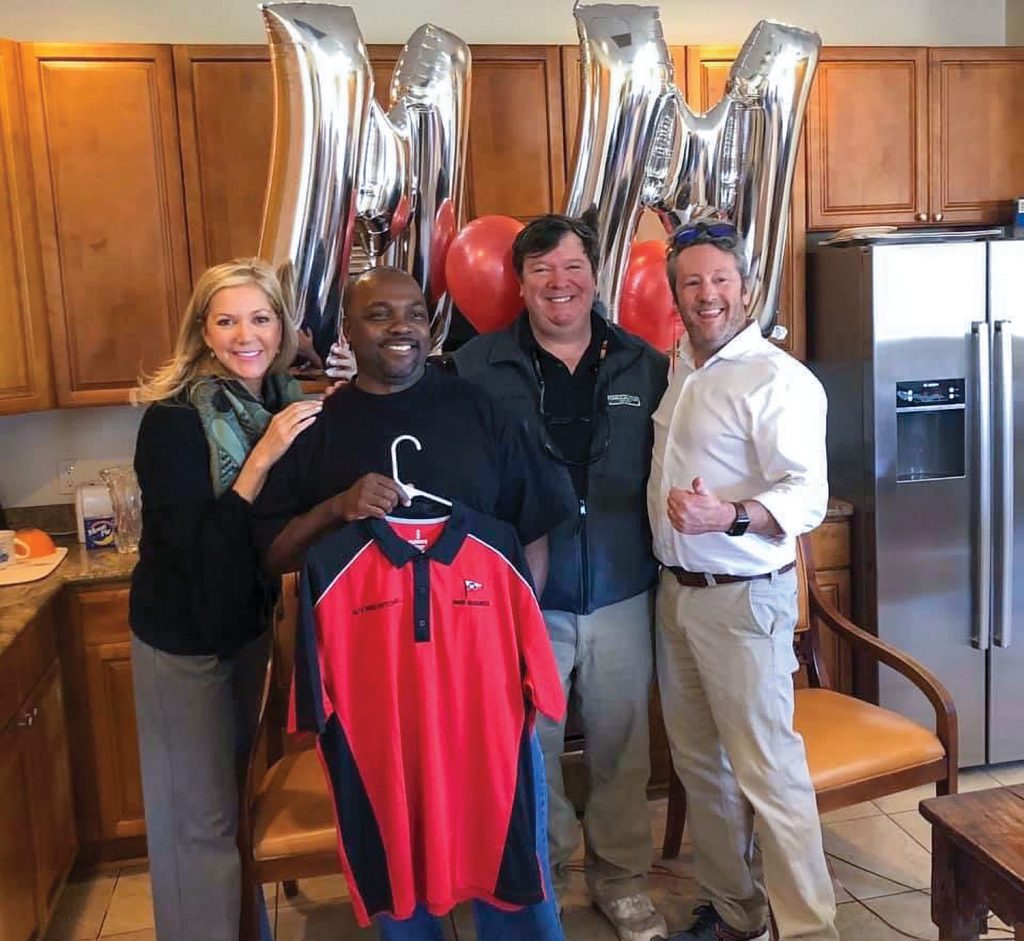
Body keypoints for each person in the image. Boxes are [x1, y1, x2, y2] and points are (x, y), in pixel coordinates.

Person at [252, 265, 570, 940]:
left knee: (510, 858)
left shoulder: (480, 410)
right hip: (379, 702)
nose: (402, 327)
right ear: (347, 329)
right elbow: (276, 551)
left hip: (482, 695)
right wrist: (337, 506)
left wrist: (510, 633)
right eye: (380, 315)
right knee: (399, 867)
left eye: (416, 314)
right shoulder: (318, 429)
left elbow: (533, 526)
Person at [452, 214, 670, 941]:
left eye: (572, 266)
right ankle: (539, 872)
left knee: (620, 743)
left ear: (596, 275)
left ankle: (622, 879)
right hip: (520, 598)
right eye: (542, 269)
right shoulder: (475, 366)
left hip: (620, 585)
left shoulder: (645, 362)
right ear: (520, 282)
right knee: (527, 747)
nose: (559, 283)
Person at [129, 258, 339, 941]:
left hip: (246, 626)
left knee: (235, 804)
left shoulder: (276, 398)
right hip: (181, 638)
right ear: (202, 331)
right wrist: (263, 458)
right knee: (199, 820)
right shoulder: (173, 421)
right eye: (226, 320)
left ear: (281, 327)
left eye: (259, 317)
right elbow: (196, 550)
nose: (244, 334)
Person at [647, 220, 837, 941]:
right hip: (677, 598)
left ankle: (810, 929)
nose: (707, 294)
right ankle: (737, 913)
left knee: (769, 773)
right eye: (692, 282)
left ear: (747, 287)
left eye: (720, 279)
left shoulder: (778, 379)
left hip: (743, 602)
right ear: (675, 296)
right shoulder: (679, 367)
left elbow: (805, 498)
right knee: (702, 767)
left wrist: (728, 514)